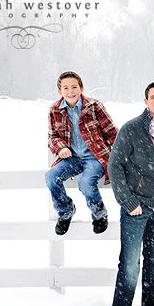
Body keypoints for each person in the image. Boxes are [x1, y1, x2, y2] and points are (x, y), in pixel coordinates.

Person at [107, 81, 154, 306]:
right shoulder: (132, 128)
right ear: (146, 101)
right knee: (130, 263)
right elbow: (114, 165)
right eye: (153, 97)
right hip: (136, 207)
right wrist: (128, 201)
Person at [46, 71, 117, 236]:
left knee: (85, 183)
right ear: (60, 91)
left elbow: (112, 132)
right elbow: (52, 136)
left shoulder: (93, 106)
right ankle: (65, 212)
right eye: (66, 88)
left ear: (81, 88)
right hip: (72, 158)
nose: (70, 91)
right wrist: (61, 147)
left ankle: (99, 213)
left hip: (94, 156)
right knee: (51, 177)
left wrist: (122, 156)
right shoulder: (55, 110)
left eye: (74, 87)